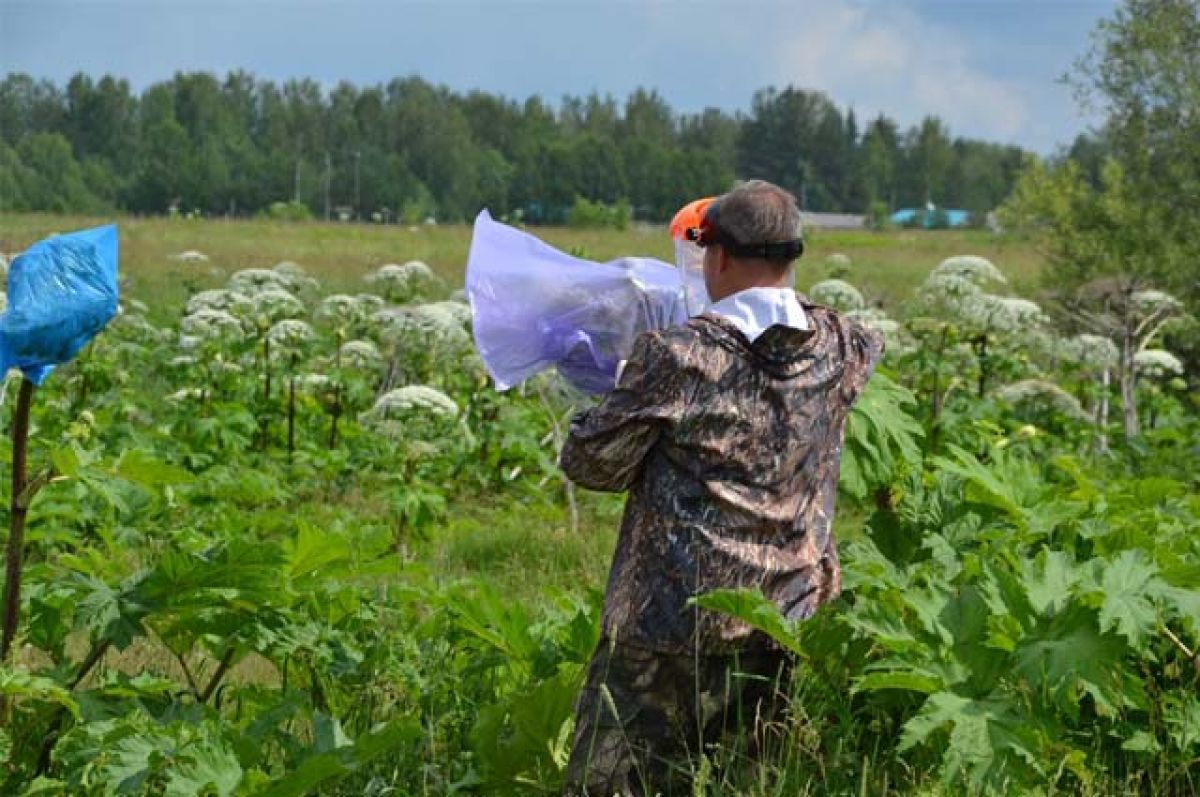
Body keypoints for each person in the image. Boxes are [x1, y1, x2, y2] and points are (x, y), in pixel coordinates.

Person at [559, 180, 883, 795]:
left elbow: (591, 464)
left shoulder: (677, 356)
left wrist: (619, 384)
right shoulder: (846, 345)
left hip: (669, 629)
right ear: (792, 257)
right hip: (783, 622)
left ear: (719, 257)